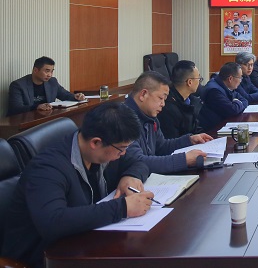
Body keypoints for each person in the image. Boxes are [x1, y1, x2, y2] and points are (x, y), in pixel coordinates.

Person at [2, 103, 152, 267]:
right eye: (121, 149)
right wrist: (122, 208)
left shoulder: (104, 147)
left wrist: (131, 175)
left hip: (87, 241)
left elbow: (139, 162)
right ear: (96, 143)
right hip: (43, 257)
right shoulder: (47, 168)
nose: (123, 154)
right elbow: (53, 222)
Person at [124, 71, 213, 174]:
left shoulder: (150, 116)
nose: (163, 104)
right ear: (143, 94)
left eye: (165, 99)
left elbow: (162, 147)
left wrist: (189, 141)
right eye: (160, 98)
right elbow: (138, 162)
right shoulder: (123, 119)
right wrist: (183, 160)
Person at [7, 56, 86, 116]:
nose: (50, 75)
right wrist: (37, 106)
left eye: (52, 71)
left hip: (45, 118)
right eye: (47, 71)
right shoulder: (18, 85)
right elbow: (16, 108)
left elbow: (65, 95)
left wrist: (75, 97)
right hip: (24, 120)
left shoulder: (52, 82)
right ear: (35, 70)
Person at [157, 60, 205, 139]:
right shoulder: (168, 107)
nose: (199, 82)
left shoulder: (191, 101)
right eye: (199, 79)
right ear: (189, 82)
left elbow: (195, 130)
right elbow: (172, 141)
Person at [199, 62, 248, 130]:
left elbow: (245, 100)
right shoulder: (214, 91)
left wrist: (236, 103)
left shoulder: (226, 85)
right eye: (240, 78)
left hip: (223, 125)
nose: (240, 81)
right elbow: (232, 111)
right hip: (212, 130)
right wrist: (238, 103)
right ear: (230, 79)